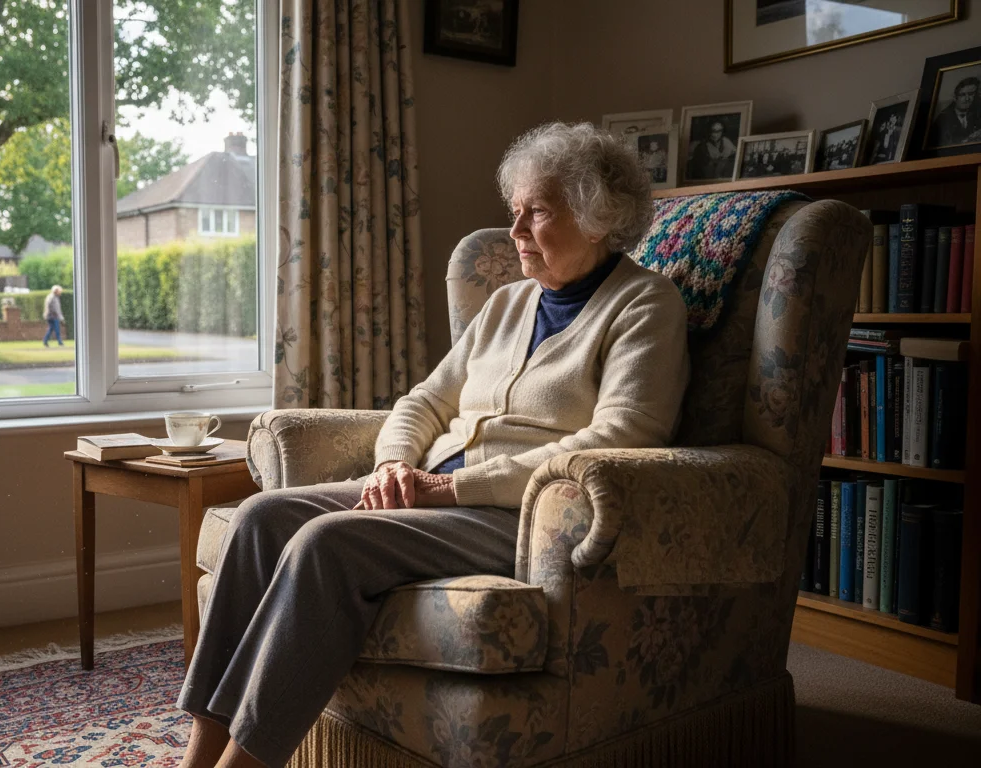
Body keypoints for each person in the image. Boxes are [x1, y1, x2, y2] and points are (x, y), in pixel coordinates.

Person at [177, 122, 690, 768]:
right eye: (515, 211)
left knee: (325, 544)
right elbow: (422, 401)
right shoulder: (507, 305)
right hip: (427, 495)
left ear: (597, 216)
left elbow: (624, 436)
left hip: (520, 517)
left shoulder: (645, 305)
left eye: (537, 212)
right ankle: (197, 756)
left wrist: (449, 487)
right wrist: (395, 465)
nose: (516, 230)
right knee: (259, 520)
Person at [930, 76, 981, 148]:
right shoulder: (943, 119)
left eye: (971, 94)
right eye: (962, 95)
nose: (967, 99)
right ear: (955, 97)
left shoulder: (976, 114)